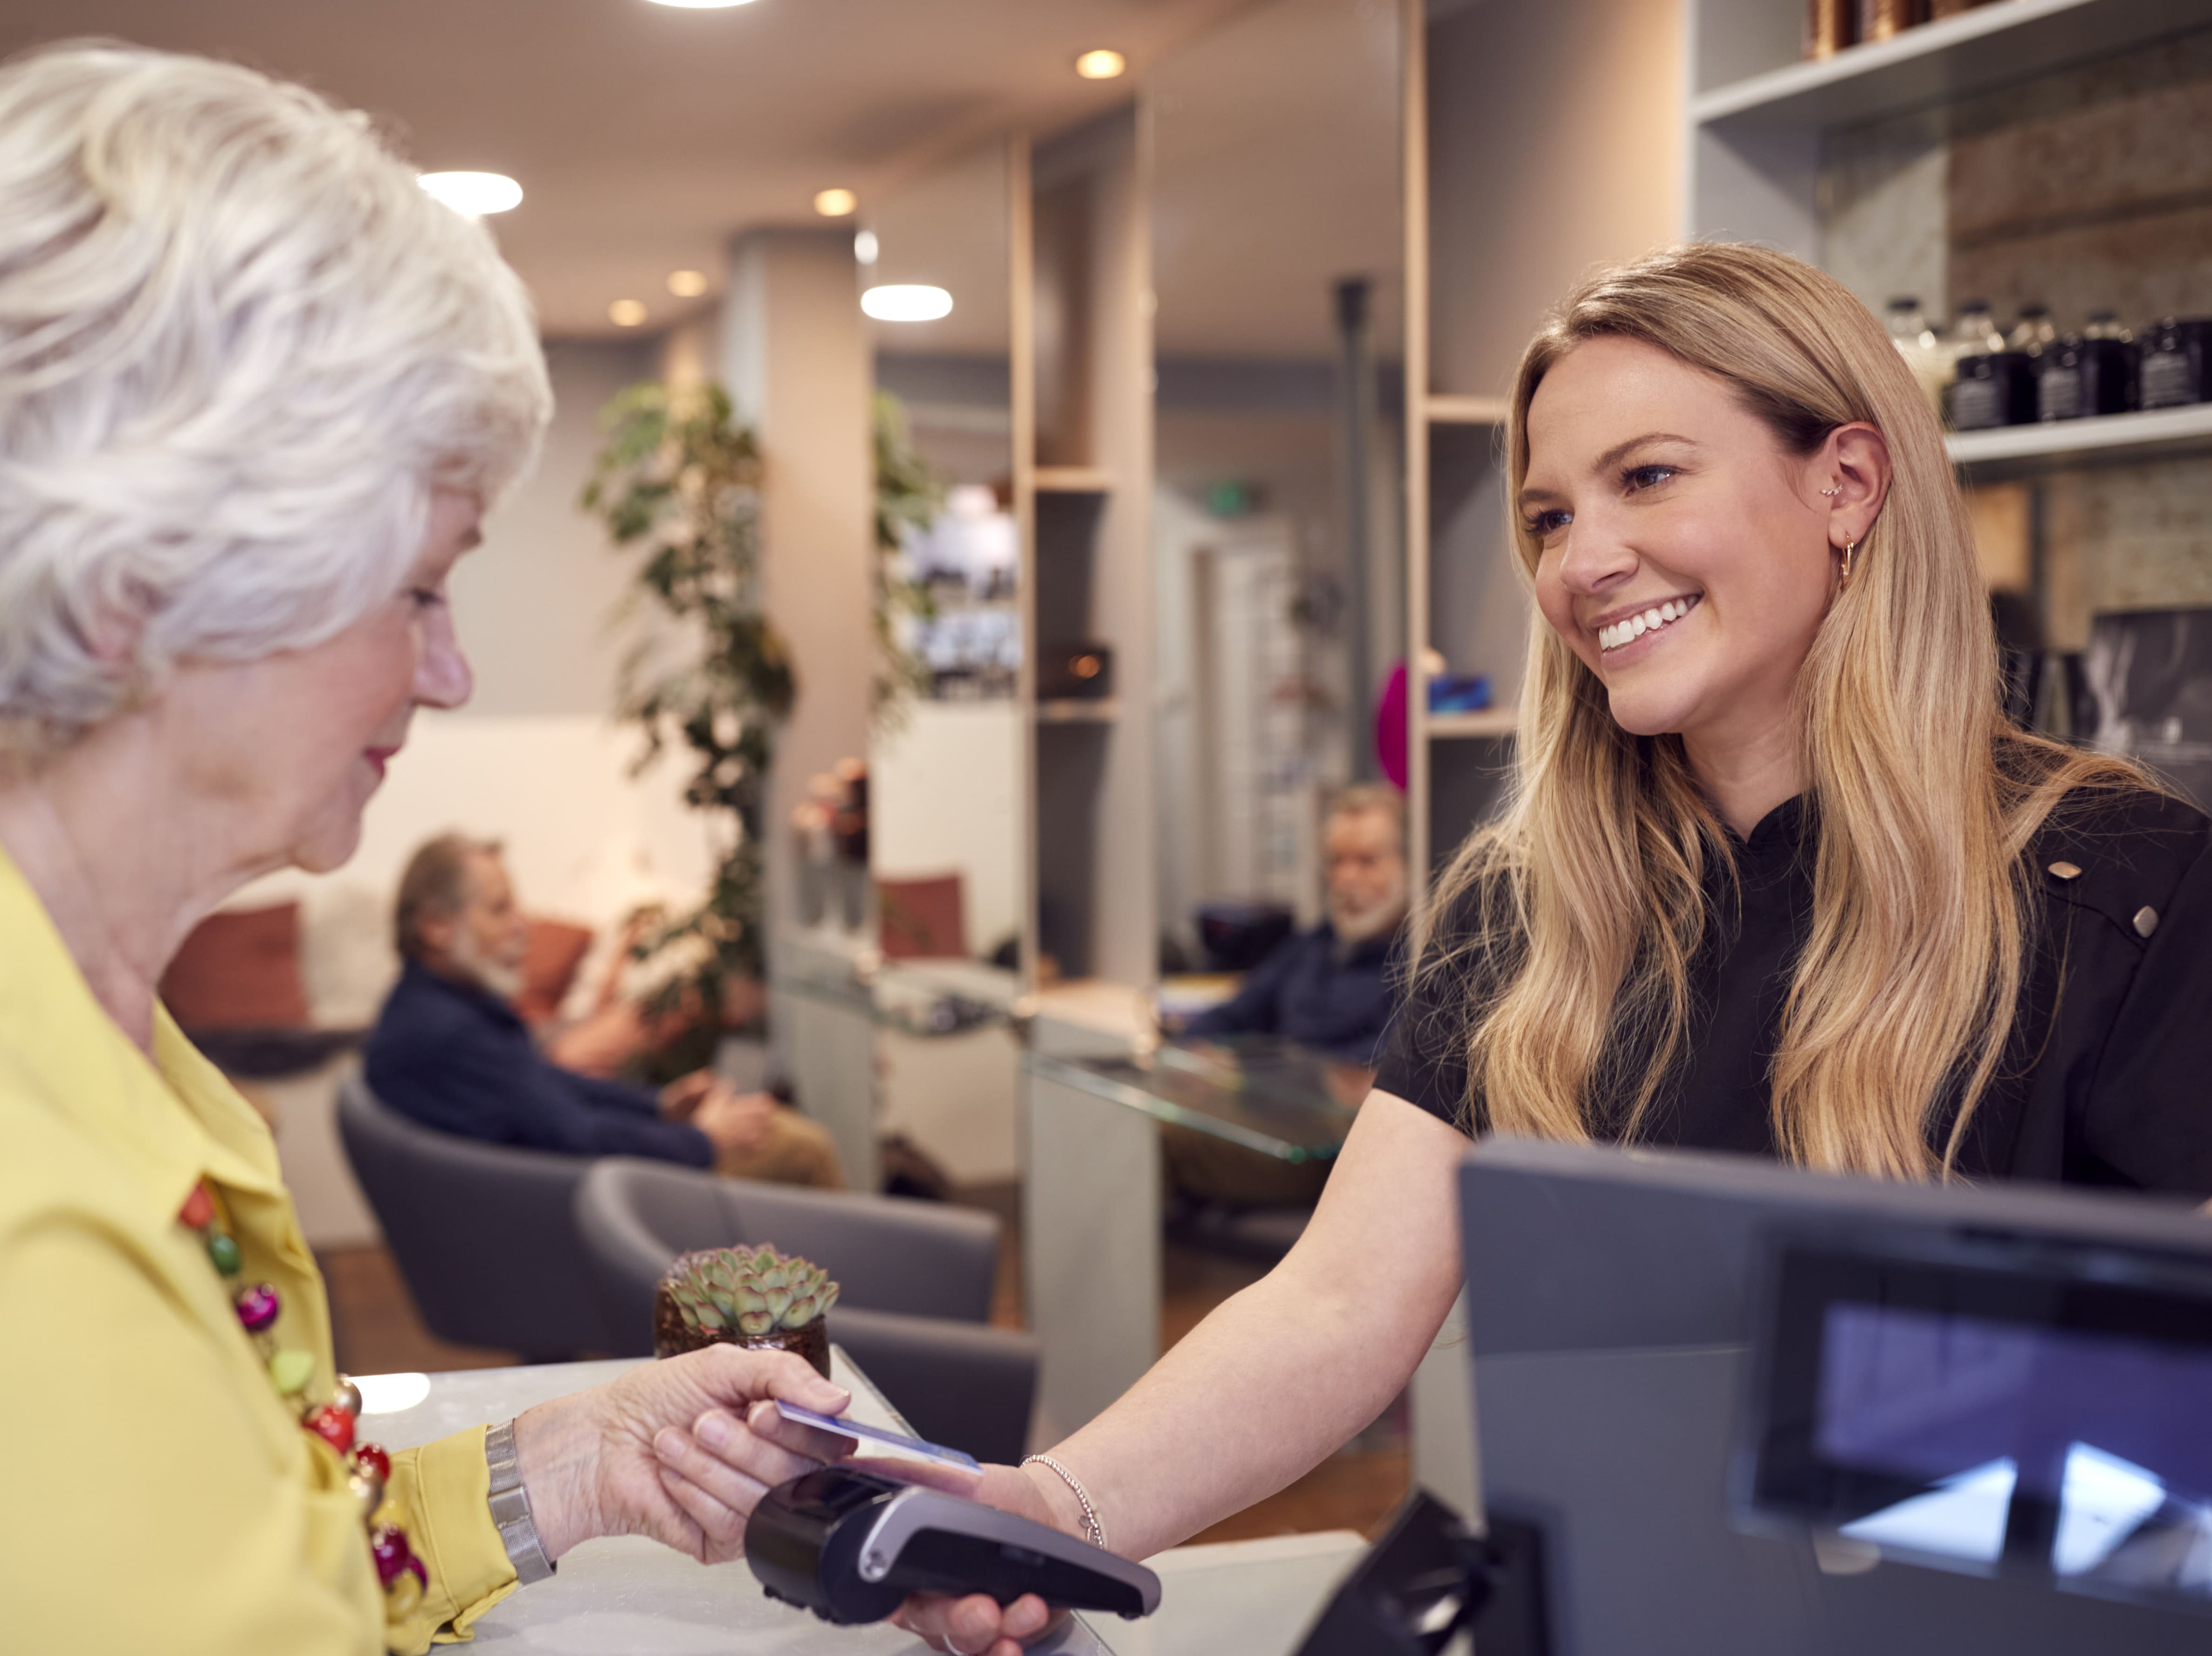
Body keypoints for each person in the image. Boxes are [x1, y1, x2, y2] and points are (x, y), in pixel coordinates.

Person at [832, 242, 2212, 1655]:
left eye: (1648, 477)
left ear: (1846, 484)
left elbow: (2183, 1439)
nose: (1583, 560)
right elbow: (1337, 1300)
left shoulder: (2115, 887)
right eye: (1549, 514)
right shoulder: (1528, 906)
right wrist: (1055, 1501)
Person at [0, 47, 856, 1655]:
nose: (449, 672)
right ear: (141, 578)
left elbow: (240, 1538)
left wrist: (579, 1462)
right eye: (418, 589)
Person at [368, 832, 845, 1187]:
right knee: (802, 1147)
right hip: (589, 1205)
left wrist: (657, 1104)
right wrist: (704, 1140)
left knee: (778, 1131)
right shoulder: (452, 1032)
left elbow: (545, 1084)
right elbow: (576, 1135)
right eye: (499, 910)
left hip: (567, 1186)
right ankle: (852, 1314)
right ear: (436, 926)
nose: (522, 926)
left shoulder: (431, 1008)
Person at [1182, 783, 1408, 1061]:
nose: (1345, 878)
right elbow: (1235, 1014)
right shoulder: (1313, 945)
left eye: (1367, 861)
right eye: (1335, 861)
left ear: (1410, 866)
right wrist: (1185, 1051)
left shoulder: (1422, 968)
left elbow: (1385, 1065)